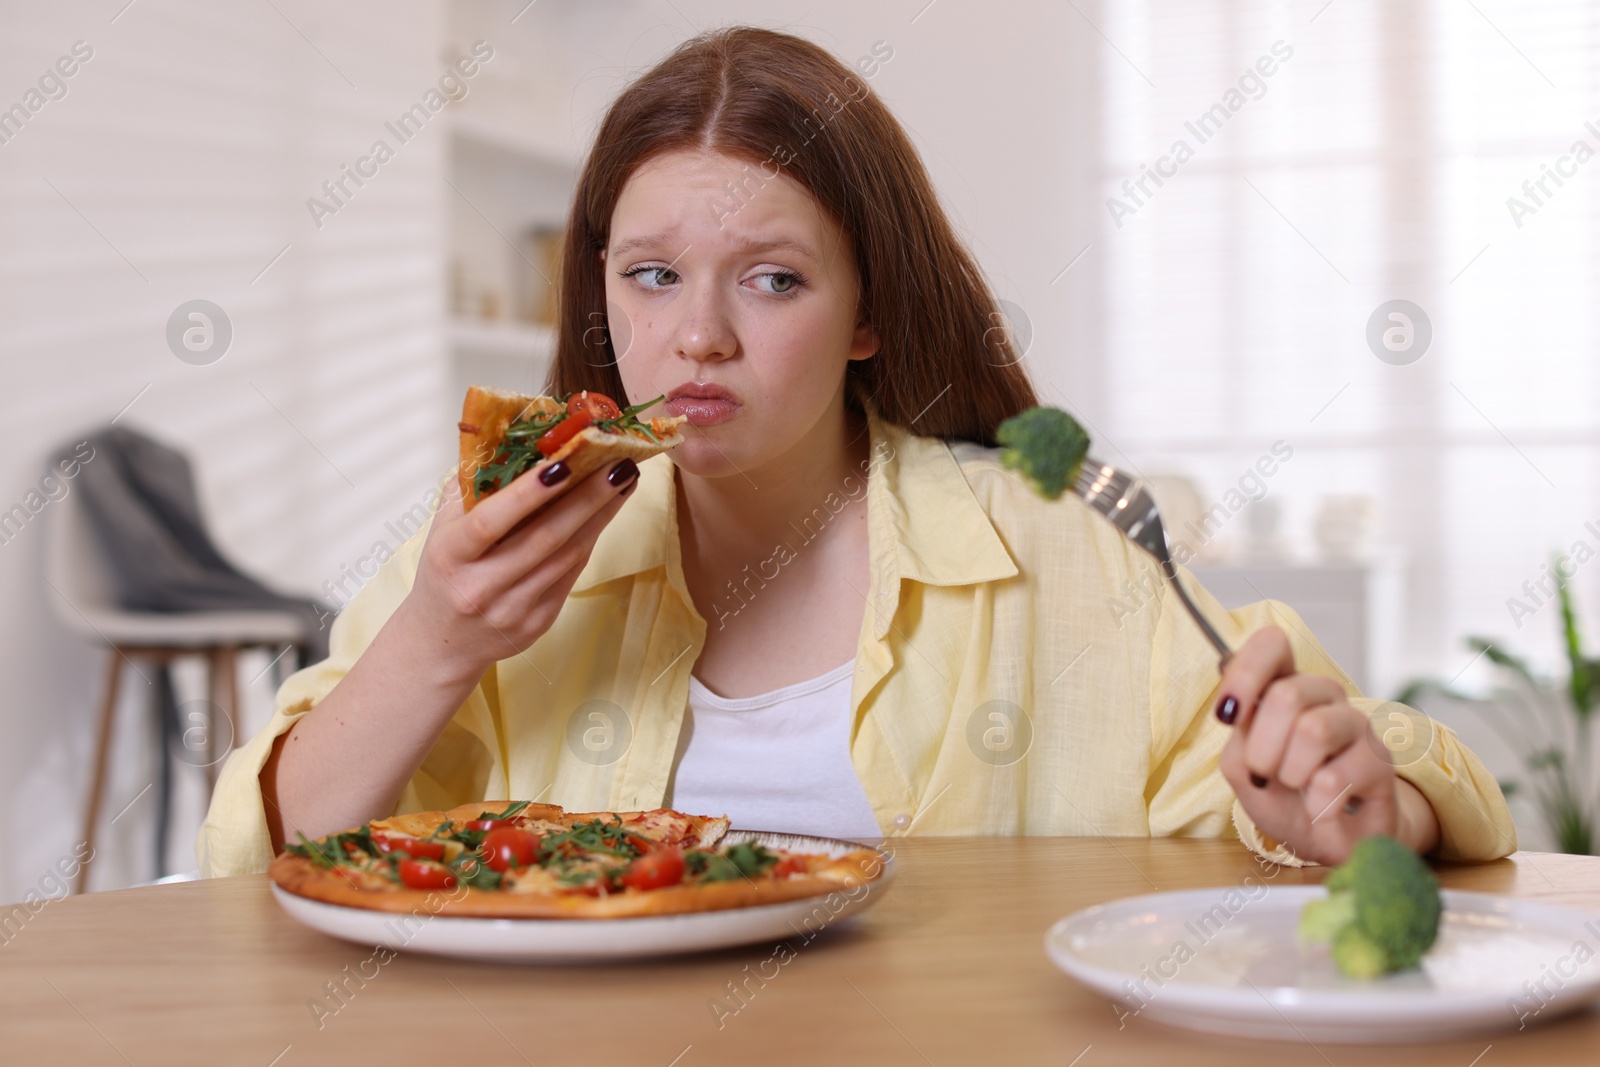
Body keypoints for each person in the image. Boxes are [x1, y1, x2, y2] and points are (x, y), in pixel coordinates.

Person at [199, 27, 1513, 878]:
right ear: (597, 292)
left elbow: (1374, 786)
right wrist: (436, 640)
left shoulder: (1052, 544)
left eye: (772, 281)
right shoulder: (486, 557)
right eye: (651, 275)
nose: (695, 338)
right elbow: (259, 871)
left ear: (870, 312)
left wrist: (1352, 808)